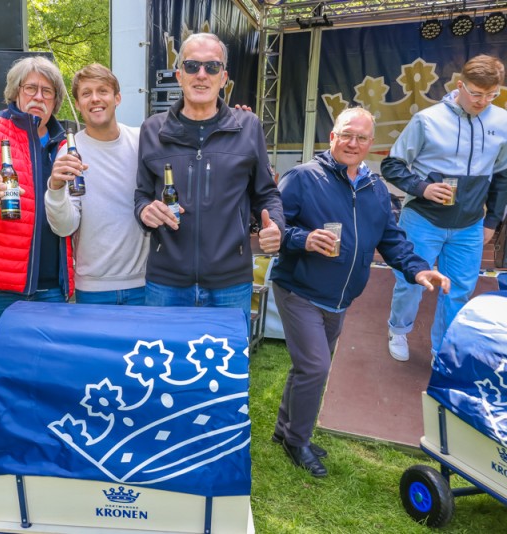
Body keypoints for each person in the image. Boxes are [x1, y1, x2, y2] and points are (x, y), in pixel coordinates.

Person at [270, 108, 450, 477]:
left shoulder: (376, 189)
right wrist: (304, 239)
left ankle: (284, 429)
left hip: (340, 297)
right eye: (347, 135)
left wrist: (417, 270)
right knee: (316, 366)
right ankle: (297, 441)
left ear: (371, 144)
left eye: (362, 138)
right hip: (298, 289)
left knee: (308, 366)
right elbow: (274, 231)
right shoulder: (303, 178)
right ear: (332, 137)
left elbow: (392, 240)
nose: (353, 143)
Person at [134, 32, 284, 321]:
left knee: (224, 366)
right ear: (179, 75)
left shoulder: (248, 126)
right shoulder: (152, 129)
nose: (201, 75)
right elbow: (141, 194)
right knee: (165, 365)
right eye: (192, 66)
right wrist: (145, 211)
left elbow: (266, 194)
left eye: (211, 67)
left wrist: (275, 224)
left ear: (223, 77)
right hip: (166, 283)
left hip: (230, 283)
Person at [383, 55, 507, 362]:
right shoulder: (427, 119)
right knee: (411, 282)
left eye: (492, 95)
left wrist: (491, 220)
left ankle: (444, 349)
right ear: (460, 85)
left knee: (460, 291)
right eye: (477, 94)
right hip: (423, 219)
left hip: (469, 224)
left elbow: (503, 175)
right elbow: (392, 165)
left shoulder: (502, 122)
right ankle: (398, 329)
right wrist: (422, 187)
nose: (483, 102)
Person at [0, 56, 73, 379]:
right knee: (2, 380)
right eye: (31, 88)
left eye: (47, 91)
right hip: (0, 285)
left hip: (52, 286)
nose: (38, 97)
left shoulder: (65, 143)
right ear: (15, 93)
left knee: (50, 379)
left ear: (56, 100)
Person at [45, 64, 148, 305]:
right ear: (79, 105)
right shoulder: (69, 153)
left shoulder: (143, 141)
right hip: (93, 288)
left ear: (117, 98)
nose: (95, 99)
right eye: (86, 93)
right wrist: (56, 188)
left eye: (102, 90)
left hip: (145, 284)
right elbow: (64, 227)